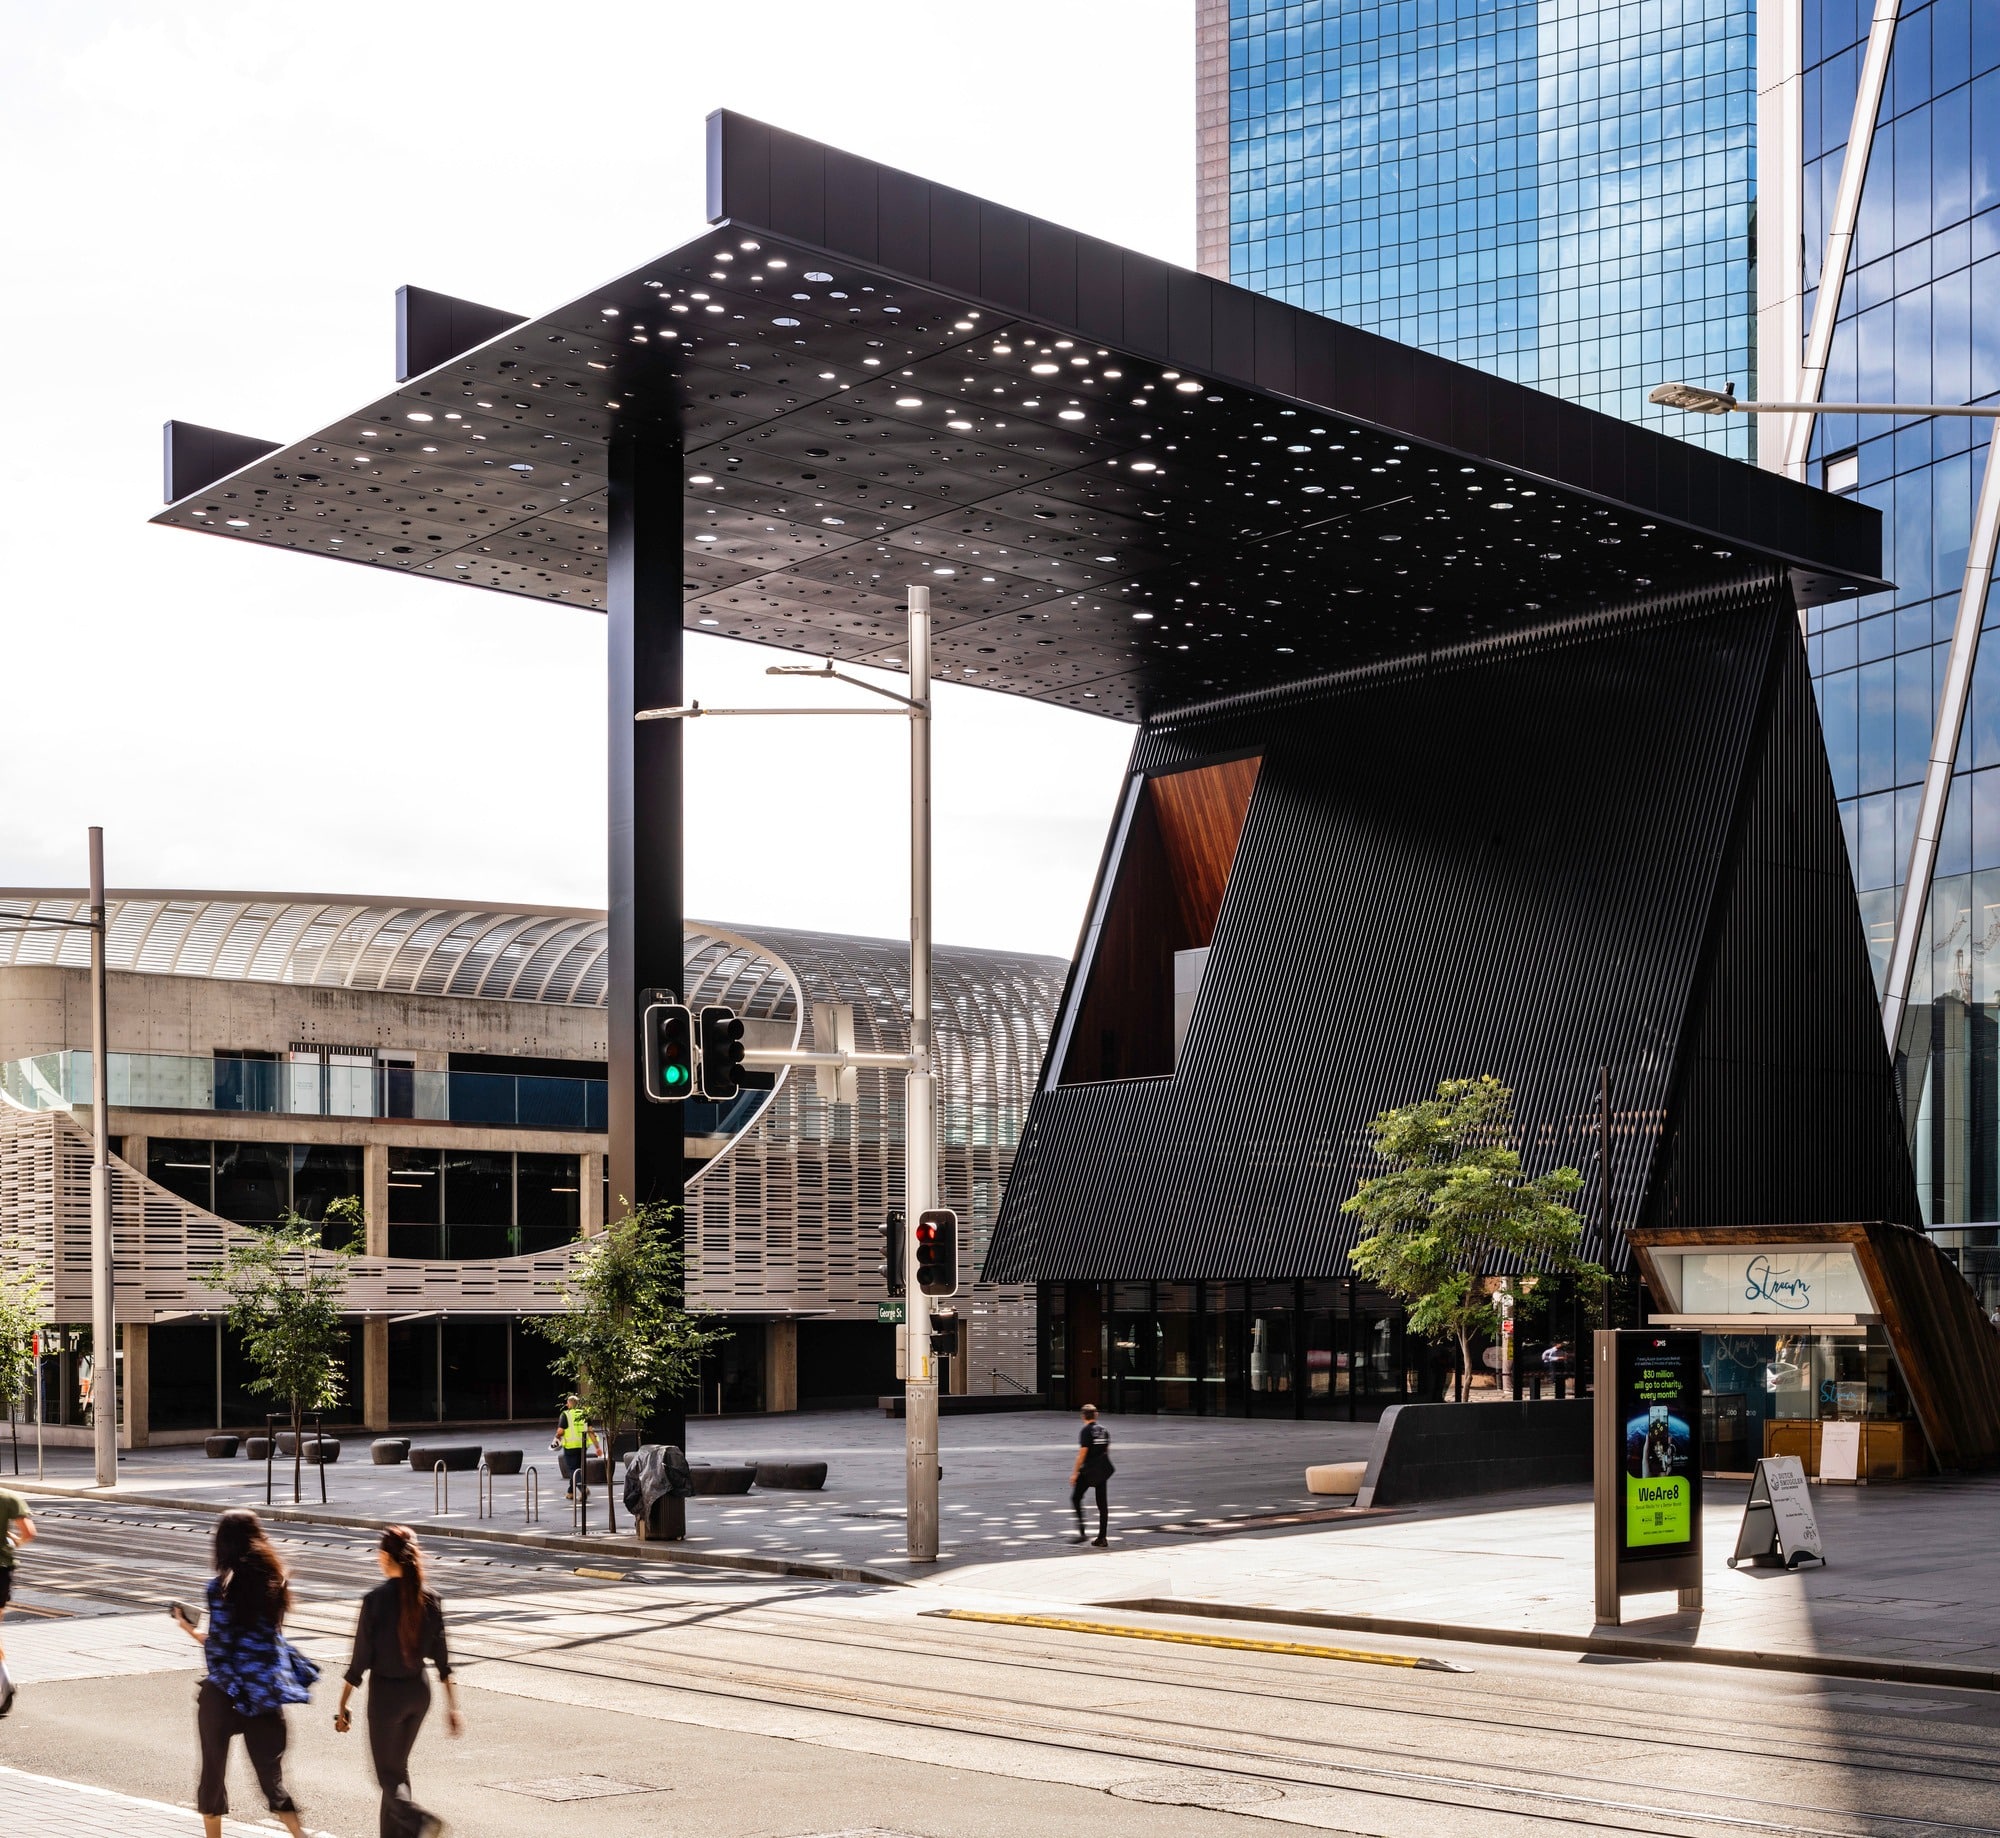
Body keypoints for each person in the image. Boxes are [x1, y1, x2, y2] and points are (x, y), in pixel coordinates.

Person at [174, 1508, 312, 1838]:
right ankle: (299, 1835)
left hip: (225, 1694)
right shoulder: (277, 1582)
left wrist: (190, 1630)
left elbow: (220, 1649)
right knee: (271, 1777)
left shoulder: (219, 1588)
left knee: (212, 1772)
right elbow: (266, 1638)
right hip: (263, 1692)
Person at [336, 1524, 462, 1838]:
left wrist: (343, 1704)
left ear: (384, 1557)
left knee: (387, 1776)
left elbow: (359, 1662)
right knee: (397, 1769)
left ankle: (420, 1821)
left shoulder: (375, 1601)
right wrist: (452, 1708)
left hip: (386, 1698)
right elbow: (443, 1662)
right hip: (419, 1693)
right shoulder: (430, 1598)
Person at [0, 1484, 36, 1718]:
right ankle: (3, 1683)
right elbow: (29, 1533)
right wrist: (13, 1542)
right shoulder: (9, 1497)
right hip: (2, 1572)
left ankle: (4, 1682)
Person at [1069, 1403, 1113, 1547]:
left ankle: (1082, 1532)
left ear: (1083, 1416)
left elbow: (1082, 1454)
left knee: (1076, 1498)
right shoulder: (1104, 1430)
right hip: (1101, 1470)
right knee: (1102, 1505)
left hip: (1088, 1471)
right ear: (1096, 1415)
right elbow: (1106, 1450)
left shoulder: (1086, 1431)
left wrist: (1075, 1473)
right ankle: (1102, 1537)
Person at [553, 1395, 589, 1498]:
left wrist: (556, 1437)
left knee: (572, 1469)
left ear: (569, 1404)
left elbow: (560, 1431)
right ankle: (570, 1492)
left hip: (570, 1446)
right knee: (577, 1468)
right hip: (582, 1445)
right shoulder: (584, 1414)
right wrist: (597, 1446)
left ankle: (583, 1489)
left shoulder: (566, 1414)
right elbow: (589, 1430)